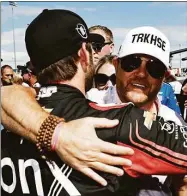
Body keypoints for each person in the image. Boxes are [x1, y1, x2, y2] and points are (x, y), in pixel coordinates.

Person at [1, 9, 187, 196]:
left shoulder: (15, 119)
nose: (141, 73)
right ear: (84, 54)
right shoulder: (117, 122)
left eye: (155, 68)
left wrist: (54, 132)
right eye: (132, 63)